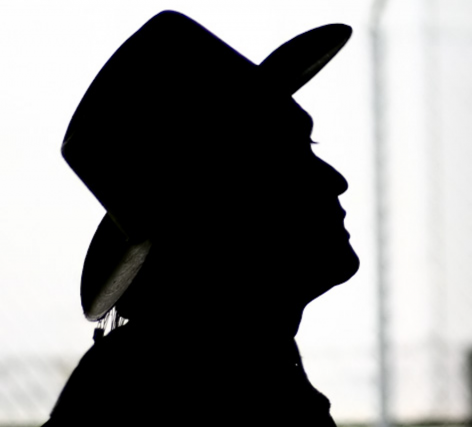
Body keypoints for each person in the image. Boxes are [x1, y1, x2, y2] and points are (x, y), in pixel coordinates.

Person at [43, 10, 358, 426]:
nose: (336, 180)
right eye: (289, 155)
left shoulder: (231, 369)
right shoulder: (186, 392)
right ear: (223, 205)